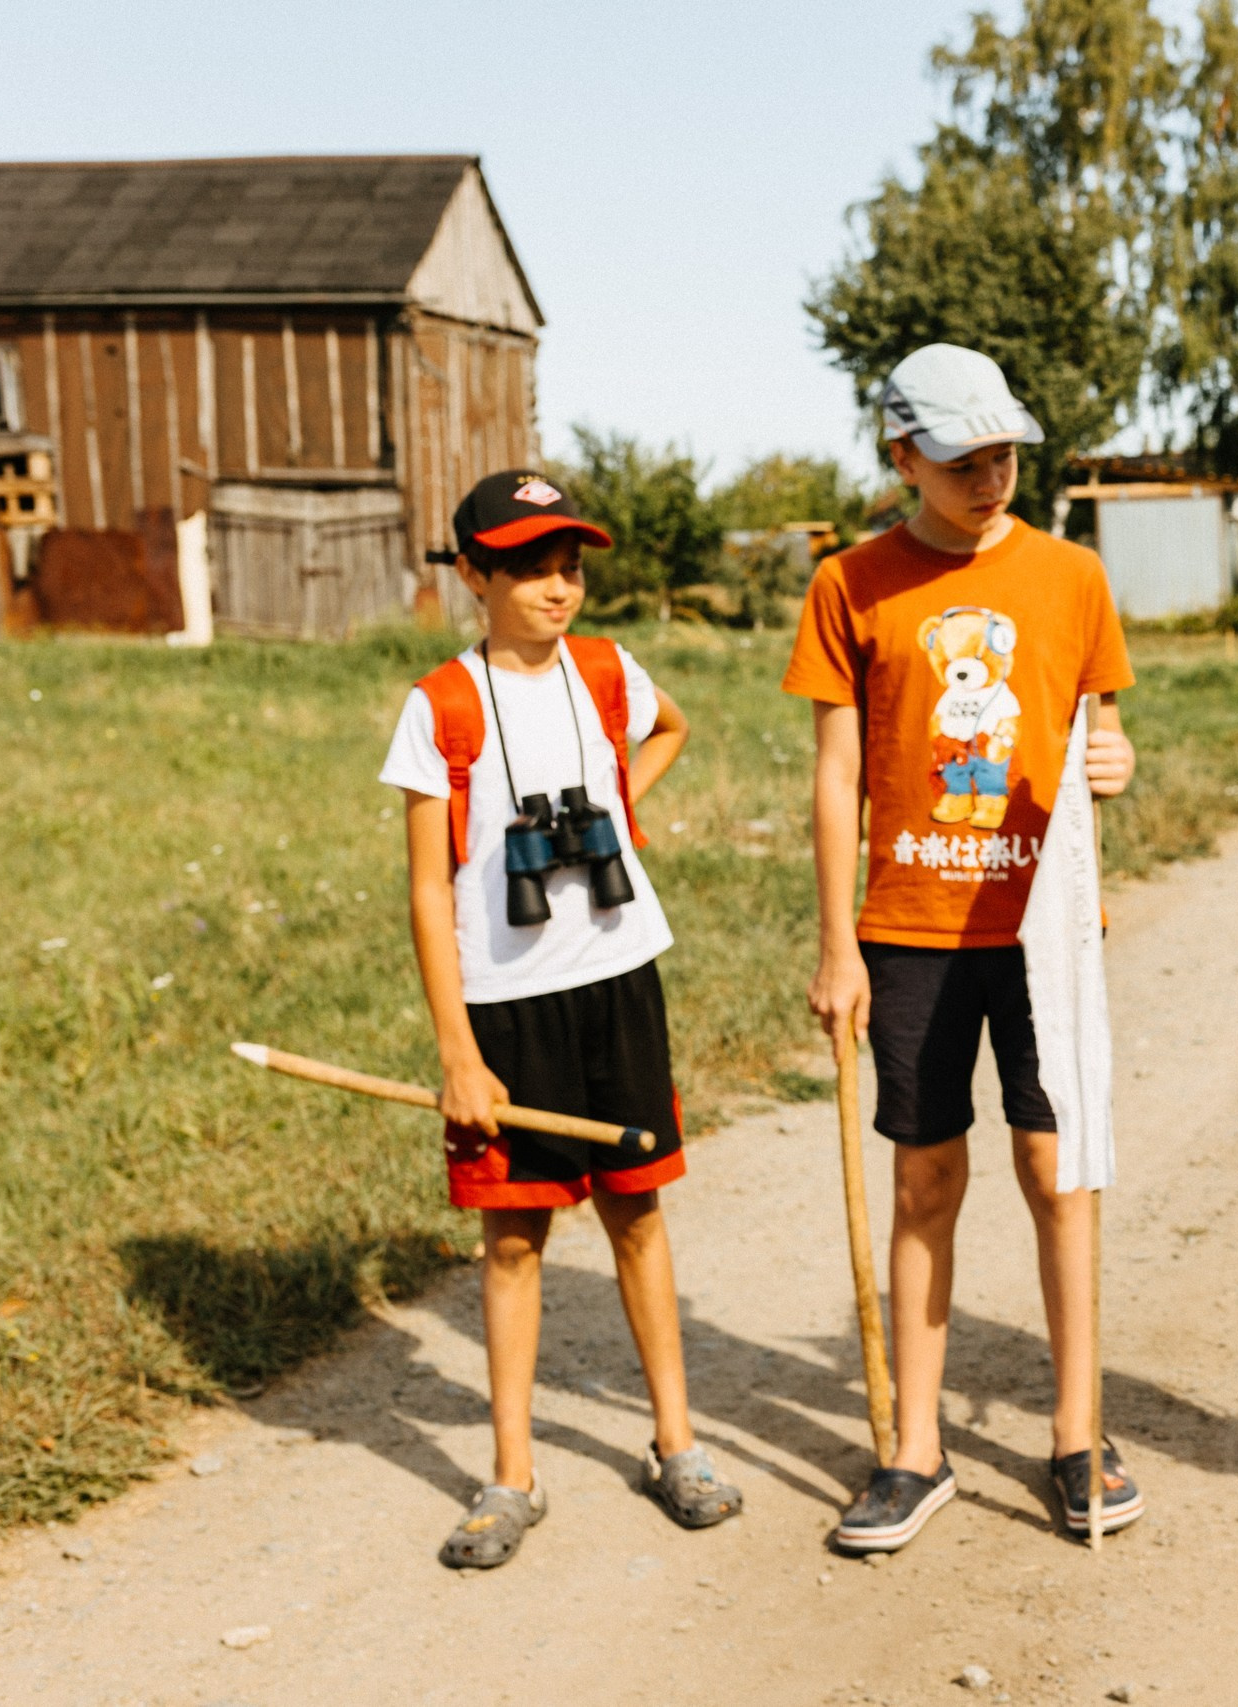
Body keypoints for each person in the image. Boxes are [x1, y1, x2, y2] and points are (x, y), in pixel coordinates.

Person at [786, 343, 1140, 1552]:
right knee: (925, 1180)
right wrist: (838, 943)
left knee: (1058, 1172)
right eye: (962, 461)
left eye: (1003, 456)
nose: (990, 478)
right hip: (909, 933)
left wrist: (1118, 765)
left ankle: (1077, 1434)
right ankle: (914, 1449)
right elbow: (838, 776)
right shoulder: (851, 583)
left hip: (1045, 932)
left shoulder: (1073, 575)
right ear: (901, 460)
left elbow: (1101, 741)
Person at [382, 470, 741, 1570]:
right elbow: (431, 889)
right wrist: (456, 1049)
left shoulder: (605, 670)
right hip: (507, 1007)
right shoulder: (440, 703)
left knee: (638, 1213)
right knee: (512, 1239)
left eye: (571, 566)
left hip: (619, 978)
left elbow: (672, 724)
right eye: (530, 567)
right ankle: (511, 1474)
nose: (558, 587)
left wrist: (621, 810)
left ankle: (675, 1443)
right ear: (474, 576)